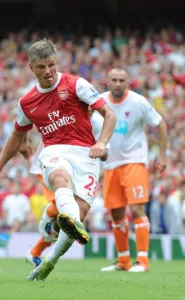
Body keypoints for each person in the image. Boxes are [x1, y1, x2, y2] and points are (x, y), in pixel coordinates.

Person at [0, 38, 116, 281]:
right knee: (59, 178)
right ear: (32, 68)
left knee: (80, 212)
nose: (48, 71)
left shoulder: (76, 84)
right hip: (54, 150)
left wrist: (101, 143)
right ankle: (68, 221)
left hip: (86, 154)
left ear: (57, 61)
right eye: (42, 67)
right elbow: (16, 136)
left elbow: (109, 114)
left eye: (51, 65)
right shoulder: (27, 102)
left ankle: (49, 261)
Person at [100, 68, 167, 272]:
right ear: (108, 81)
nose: (118, 84)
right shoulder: (100, 102)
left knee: (137, 209)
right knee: (117, 214)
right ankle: (123, 261)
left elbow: (160, 124)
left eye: (122, 80)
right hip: (111, 164)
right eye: (114, 80)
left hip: (135, 162)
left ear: (128, 82)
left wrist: (162, 155)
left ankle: (143, 261)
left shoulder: (138, 102)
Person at [21, 109, 107, 268]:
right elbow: (25, 114)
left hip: (79, 168)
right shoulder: (66, 108)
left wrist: (101, 149)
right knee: (63, 201)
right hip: (51, 163)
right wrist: (23, 140)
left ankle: (34, 253)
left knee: (71, 220)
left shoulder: (98, 123)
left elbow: (105, 151)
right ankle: (49, 213)